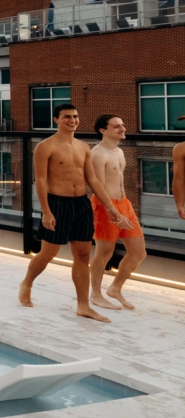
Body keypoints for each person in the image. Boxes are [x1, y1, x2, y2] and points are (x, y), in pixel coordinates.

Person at [19, 103, 129, 322]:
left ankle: (83, 305)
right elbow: (40, 181)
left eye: (75, 116)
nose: (72, 120)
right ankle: (27, 283)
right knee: (48, 253)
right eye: (67, 116)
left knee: (83, 256)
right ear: (56, 120)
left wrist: (109, 207)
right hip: (57, 204)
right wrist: (46, 211)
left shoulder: (83, 147)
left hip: (81, 204)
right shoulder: (45, 146)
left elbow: (93, 179)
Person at [88, 115, 147, 310]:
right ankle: (96, 294)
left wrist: (122, 209)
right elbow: (98, 187)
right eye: (116, 126)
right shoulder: (97, 154)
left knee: (138, 252)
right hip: (105, 206)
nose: (122, 129)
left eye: (122, 125)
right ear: (103, 130)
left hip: (124, 204)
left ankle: (115, 288)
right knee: (104, 252)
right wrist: (112, 211)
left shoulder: (119, 151)